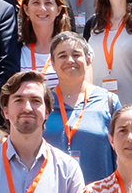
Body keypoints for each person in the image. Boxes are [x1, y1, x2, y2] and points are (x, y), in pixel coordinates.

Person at [43, 31, 122, 182]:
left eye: (76, 54)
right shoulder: (42, 103)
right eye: (62, 56)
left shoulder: (108, 102)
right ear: (52, 63)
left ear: (88, 59)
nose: (70, 60)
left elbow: (121, 154)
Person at [17, 0, 74, 89]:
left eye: (48, 3)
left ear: (58, 10)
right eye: (36, 3)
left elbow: (85, 90)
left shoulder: (75, 48)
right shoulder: (17, 51)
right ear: (26, 9)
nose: (42, 9)